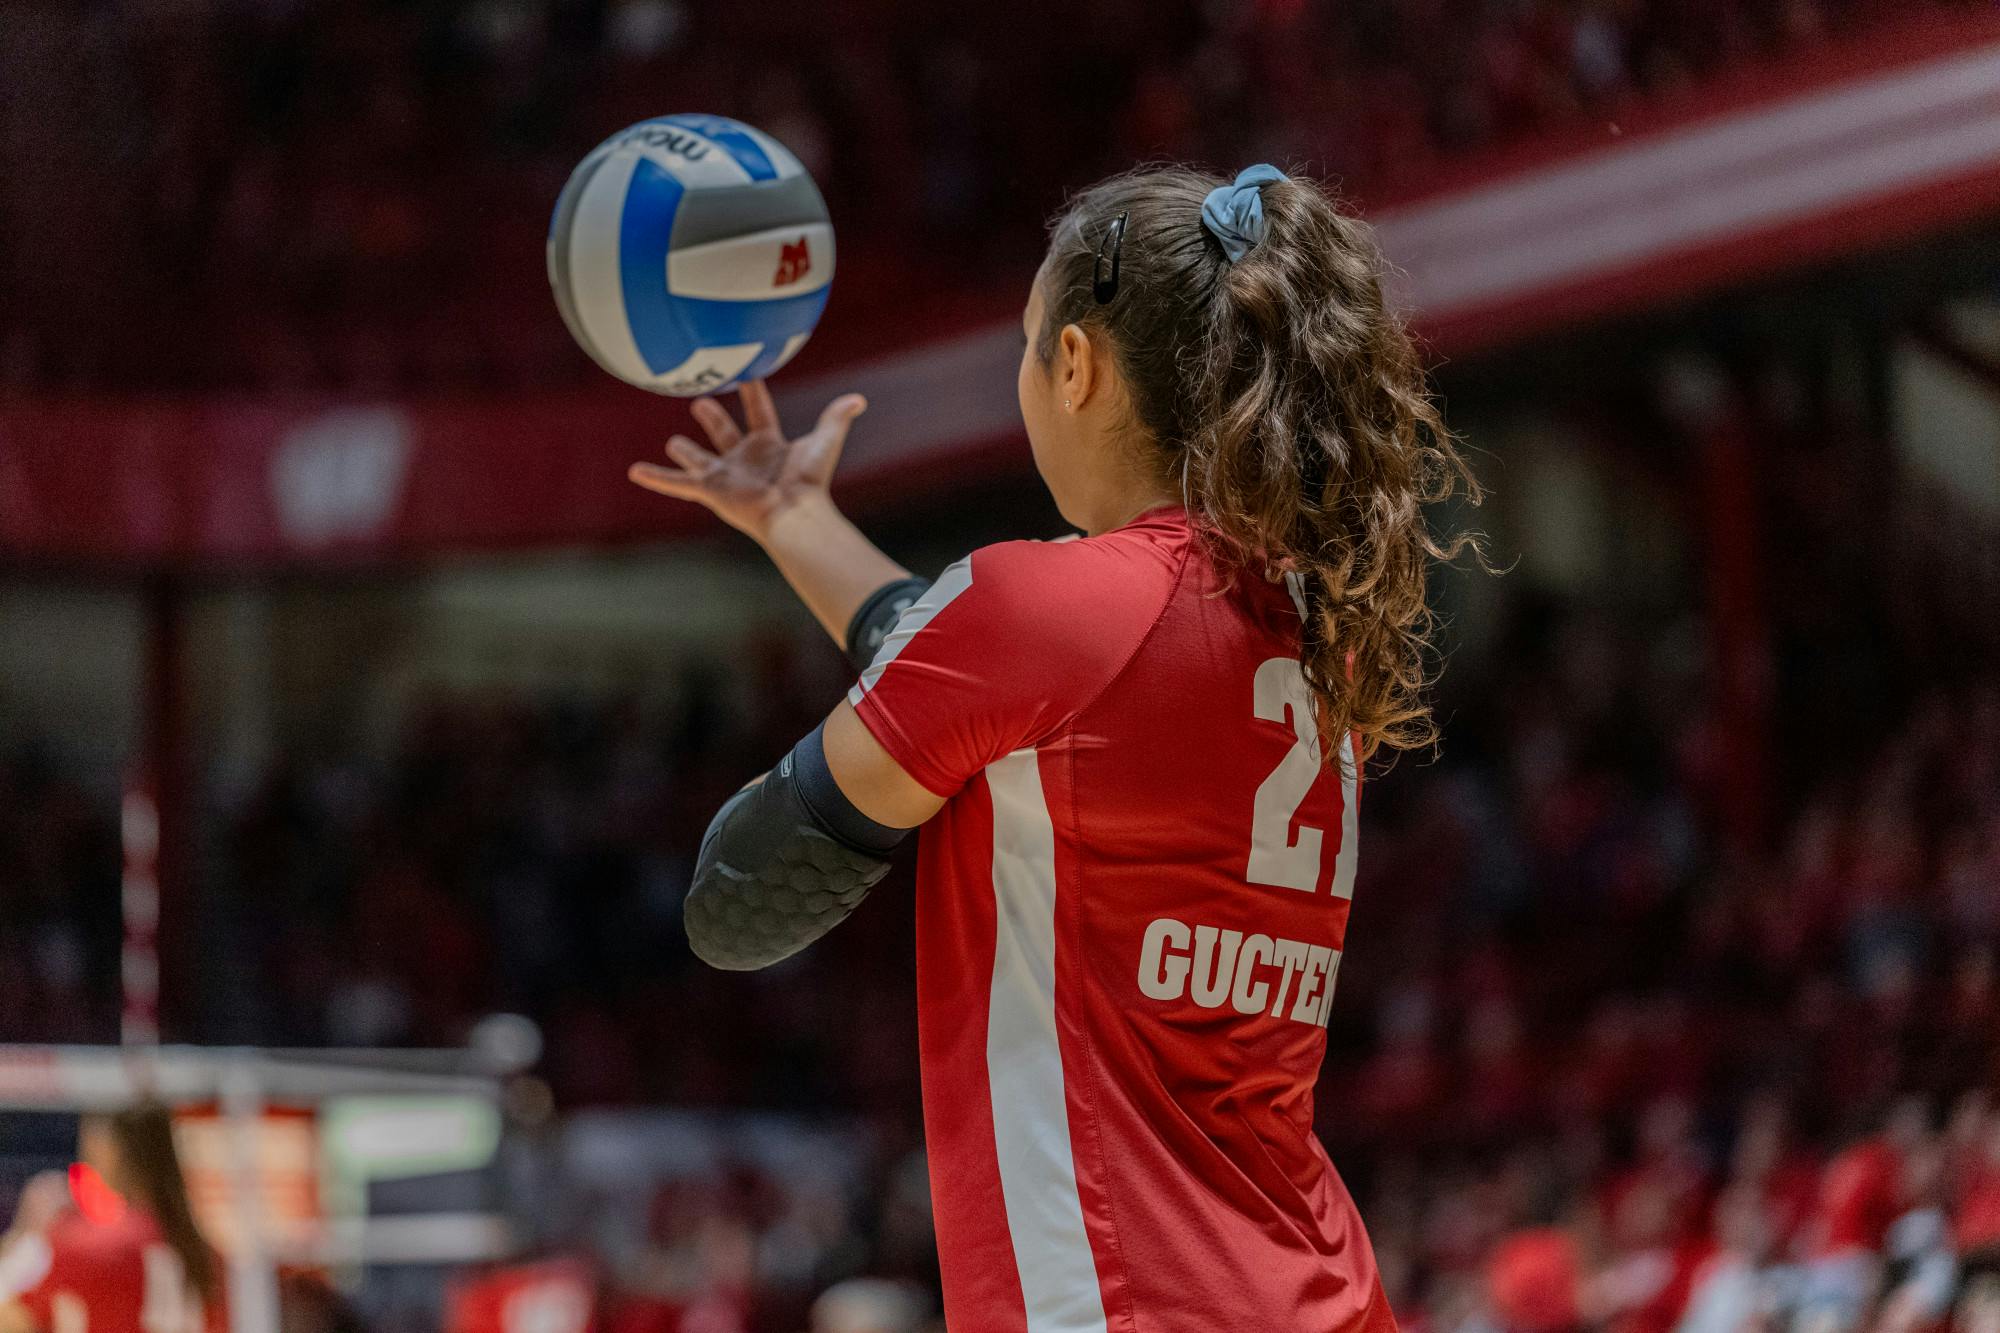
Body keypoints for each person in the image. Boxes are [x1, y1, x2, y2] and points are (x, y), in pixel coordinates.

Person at [630, 164, 1481, 1330]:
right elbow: (959, 666)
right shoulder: (1302, 614)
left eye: (1026, 345)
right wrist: (793, 518)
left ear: (1075, 365)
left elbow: (733, 903)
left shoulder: (1038, 613)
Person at [0, 1106, 223, 1333]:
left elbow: (12, 1319)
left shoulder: (87, 1246)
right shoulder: (208, 1255)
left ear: (112, 1148)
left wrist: (27, 1239)